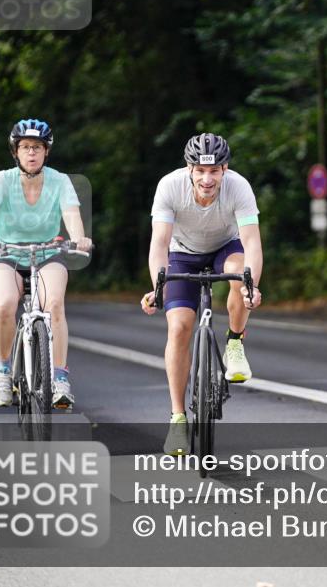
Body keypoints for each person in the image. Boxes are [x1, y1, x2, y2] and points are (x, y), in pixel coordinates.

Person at [140, 132, 263, 455]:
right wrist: (158, 286)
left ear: (225, 169)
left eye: (214, 171)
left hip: (226, 247)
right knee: (179, 327)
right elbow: (159, 243)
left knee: (240, 275)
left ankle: (234, 342)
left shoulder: (239, 187)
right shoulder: (169, 186)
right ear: (189, 169)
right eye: (200, 171)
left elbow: (251, 242)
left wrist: (251, 287)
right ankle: (178, 418)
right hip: (182, 253)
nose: (207, 179)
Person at [0, 118, 93, 410]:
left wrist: (78, 238)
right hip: (7, 253)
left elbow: (71, 215)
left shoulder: (59, 181)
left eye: (37, 147)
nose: (31, 152)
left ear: (46, 151)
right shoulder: (3, 180)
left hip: (48, 252)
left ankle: (60, 378)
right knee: (5, 304)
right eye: (25, 147)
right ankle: (3, 370)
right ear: (16, 151)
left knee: (54, 306)